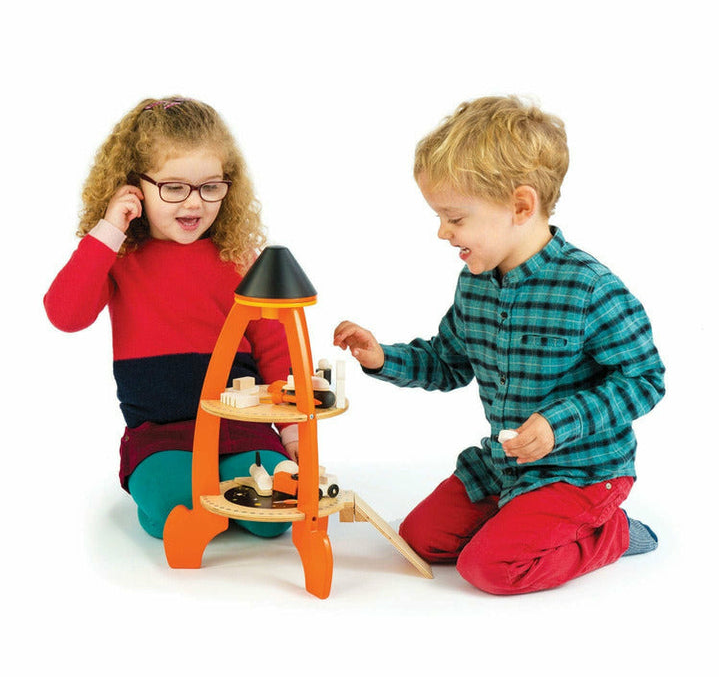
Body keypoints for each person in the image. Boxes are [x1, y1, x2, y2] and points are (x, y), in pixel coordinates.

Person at [334, 96, 665, 595]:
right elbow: (448, 363)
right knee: (419, 540)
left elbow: (645, 379)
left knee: (489, 569)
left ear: (521, 206)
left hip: (581, 473)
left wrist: (558, 424)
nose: (442, 232)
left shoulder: (590, 288)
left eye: (455, 218)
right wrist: (382, 358)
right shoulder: (475, 283)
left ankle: (613, 534)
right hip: (504, 464)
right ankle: (520, 518)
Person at [45, 97, 296, 539]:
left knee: (273, 517)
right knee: (176, 508)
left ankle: (225, 501)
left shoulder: (239, 258)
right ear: (135, 186)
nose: (194, 203)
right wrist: (109, 230)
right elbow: (65, 314)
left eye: (210, 186)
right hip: (161, 434)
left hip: (242, 428)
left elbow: (275, 348)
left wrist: (292, 434)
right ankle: (183, 502)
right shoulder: (120, 256)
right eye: (174, 187)